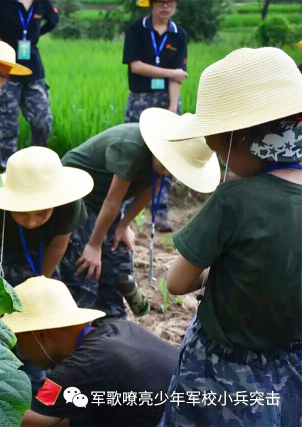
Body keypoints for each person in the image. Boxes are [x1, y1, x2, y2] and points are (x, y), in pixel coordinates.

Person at [155, 47, 302, 426]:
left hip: (221, 372)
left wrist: (214, 271)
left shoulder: (235, 201)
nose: (219, 158)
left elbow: (176, 282)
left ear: (245, 140)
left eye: (219, 146)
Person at [57, 118, 220, 318]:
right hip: (77, 193)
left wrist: (124, 225)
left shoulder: (163, 162)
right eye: (168, 164)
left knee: (119, 257)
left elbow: (150, 190)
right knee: (86, 264)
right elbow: (111, 201)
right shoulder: (132, 148)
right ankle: (79, 316)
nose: (169, 171)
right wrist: (94, 245)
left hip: (105, 199)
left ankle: (111, 318)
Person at [0, 145, 93, 396]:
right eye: (22, 214)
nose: (30, 221)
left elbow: (59, 245)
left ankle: (39, 385)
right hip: (6, 252)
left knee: (46, 311)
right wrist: (1, 292)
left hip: (46, 249)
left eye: (40, 213)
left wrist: (41, 284)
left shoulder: (68, 205)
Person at [2, 276, 179, 427]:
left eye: (20, 341)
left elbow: (32, 419)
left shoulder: (73, 370)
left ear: (42, 334)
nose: (22, 352)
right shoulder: (116, 327)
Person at [0, 0, 59, 170]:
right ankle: (7, 170)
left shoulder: (41, 3)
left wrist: (35, 34)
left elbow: (54, 19)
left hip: (33, 68)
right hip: (5, 69)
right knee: (8, 127)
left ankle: (39, 166)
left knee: (42, 121)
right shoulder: (1, 3)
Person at [122, 0, 189, 232]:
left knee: (167, 156)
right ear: (151, 5)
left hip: (167, 97)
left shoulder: (179, 34)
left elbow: (178, 78)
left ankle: (160, 212)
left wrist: (172, 107)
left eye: (170, 3)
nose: (165, 7)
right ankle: (126, 209)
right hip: (141, 97)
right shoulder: (136, 29)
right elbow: (136, 66)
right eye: (160, 2)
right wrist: (172, 72)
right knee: (133, 151)